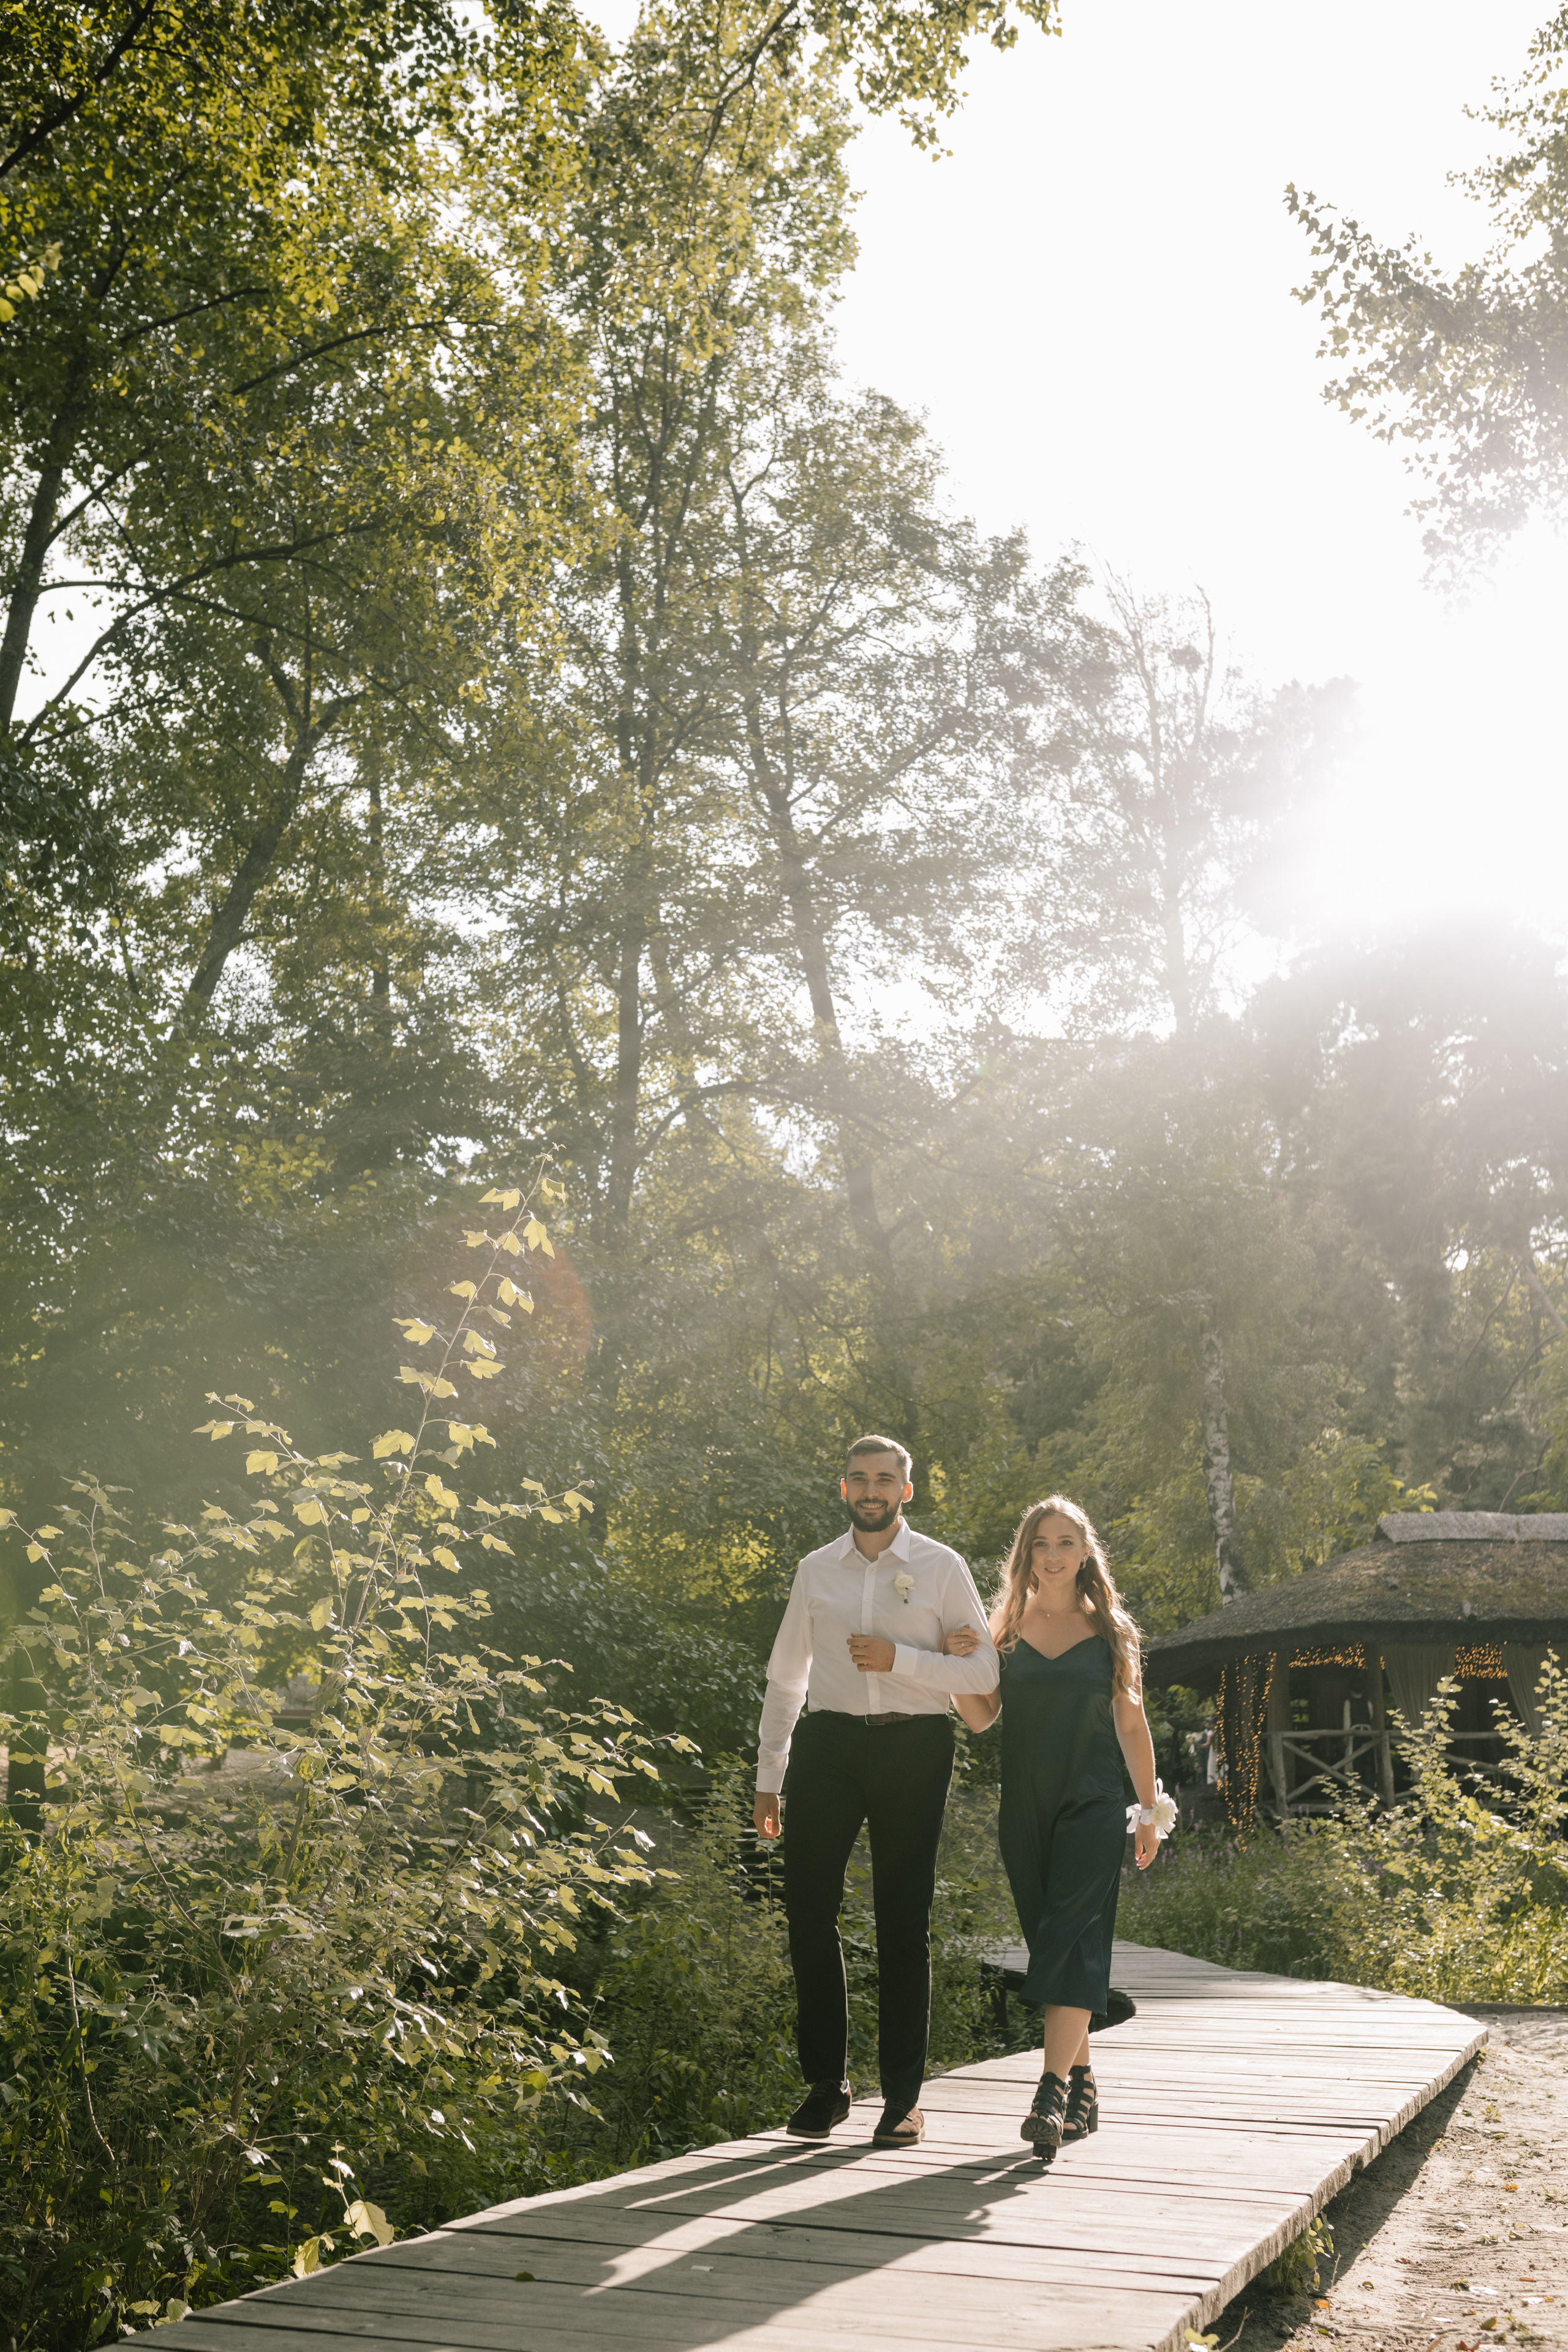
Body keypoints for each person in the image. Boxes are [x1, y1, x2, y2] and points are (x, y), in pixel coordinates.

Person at [753, 1436, 1000, 2149]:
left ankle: (901, 2100)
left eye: (884, 1479)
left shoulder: (940, 1566)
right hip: (827, 1746)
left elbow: (982, 1673)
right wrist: (770, 1777)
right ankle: (826, 2087)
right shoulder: (814, 1571)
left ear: (906, 1490)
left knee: (902, 1919)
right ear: (842, 1489)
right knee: (807, 1909)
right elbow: (786, 1679)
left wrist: (904, 1660)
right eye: (859, 1479)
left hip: (912, 1746)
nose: (871, 1490)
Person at [945, 1494, 1175, 2159]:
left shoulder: (1109, 1630)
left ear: (1084, 1553)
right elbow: (981, 1716)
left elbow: (1131, 1726)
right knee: (1059, 1941)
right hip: (1024, 1807)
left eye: (1065, 1543)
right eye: (1040, 1543)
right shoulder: (1005, 1628)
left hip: (1094, 1803)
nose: (1052, 1555)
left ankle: (1047, 2091)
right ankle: (1085, 2084)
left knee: (1066, 1937)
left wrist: (1148, 1813)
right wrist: (957, 1664)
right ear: (1026, 1554)